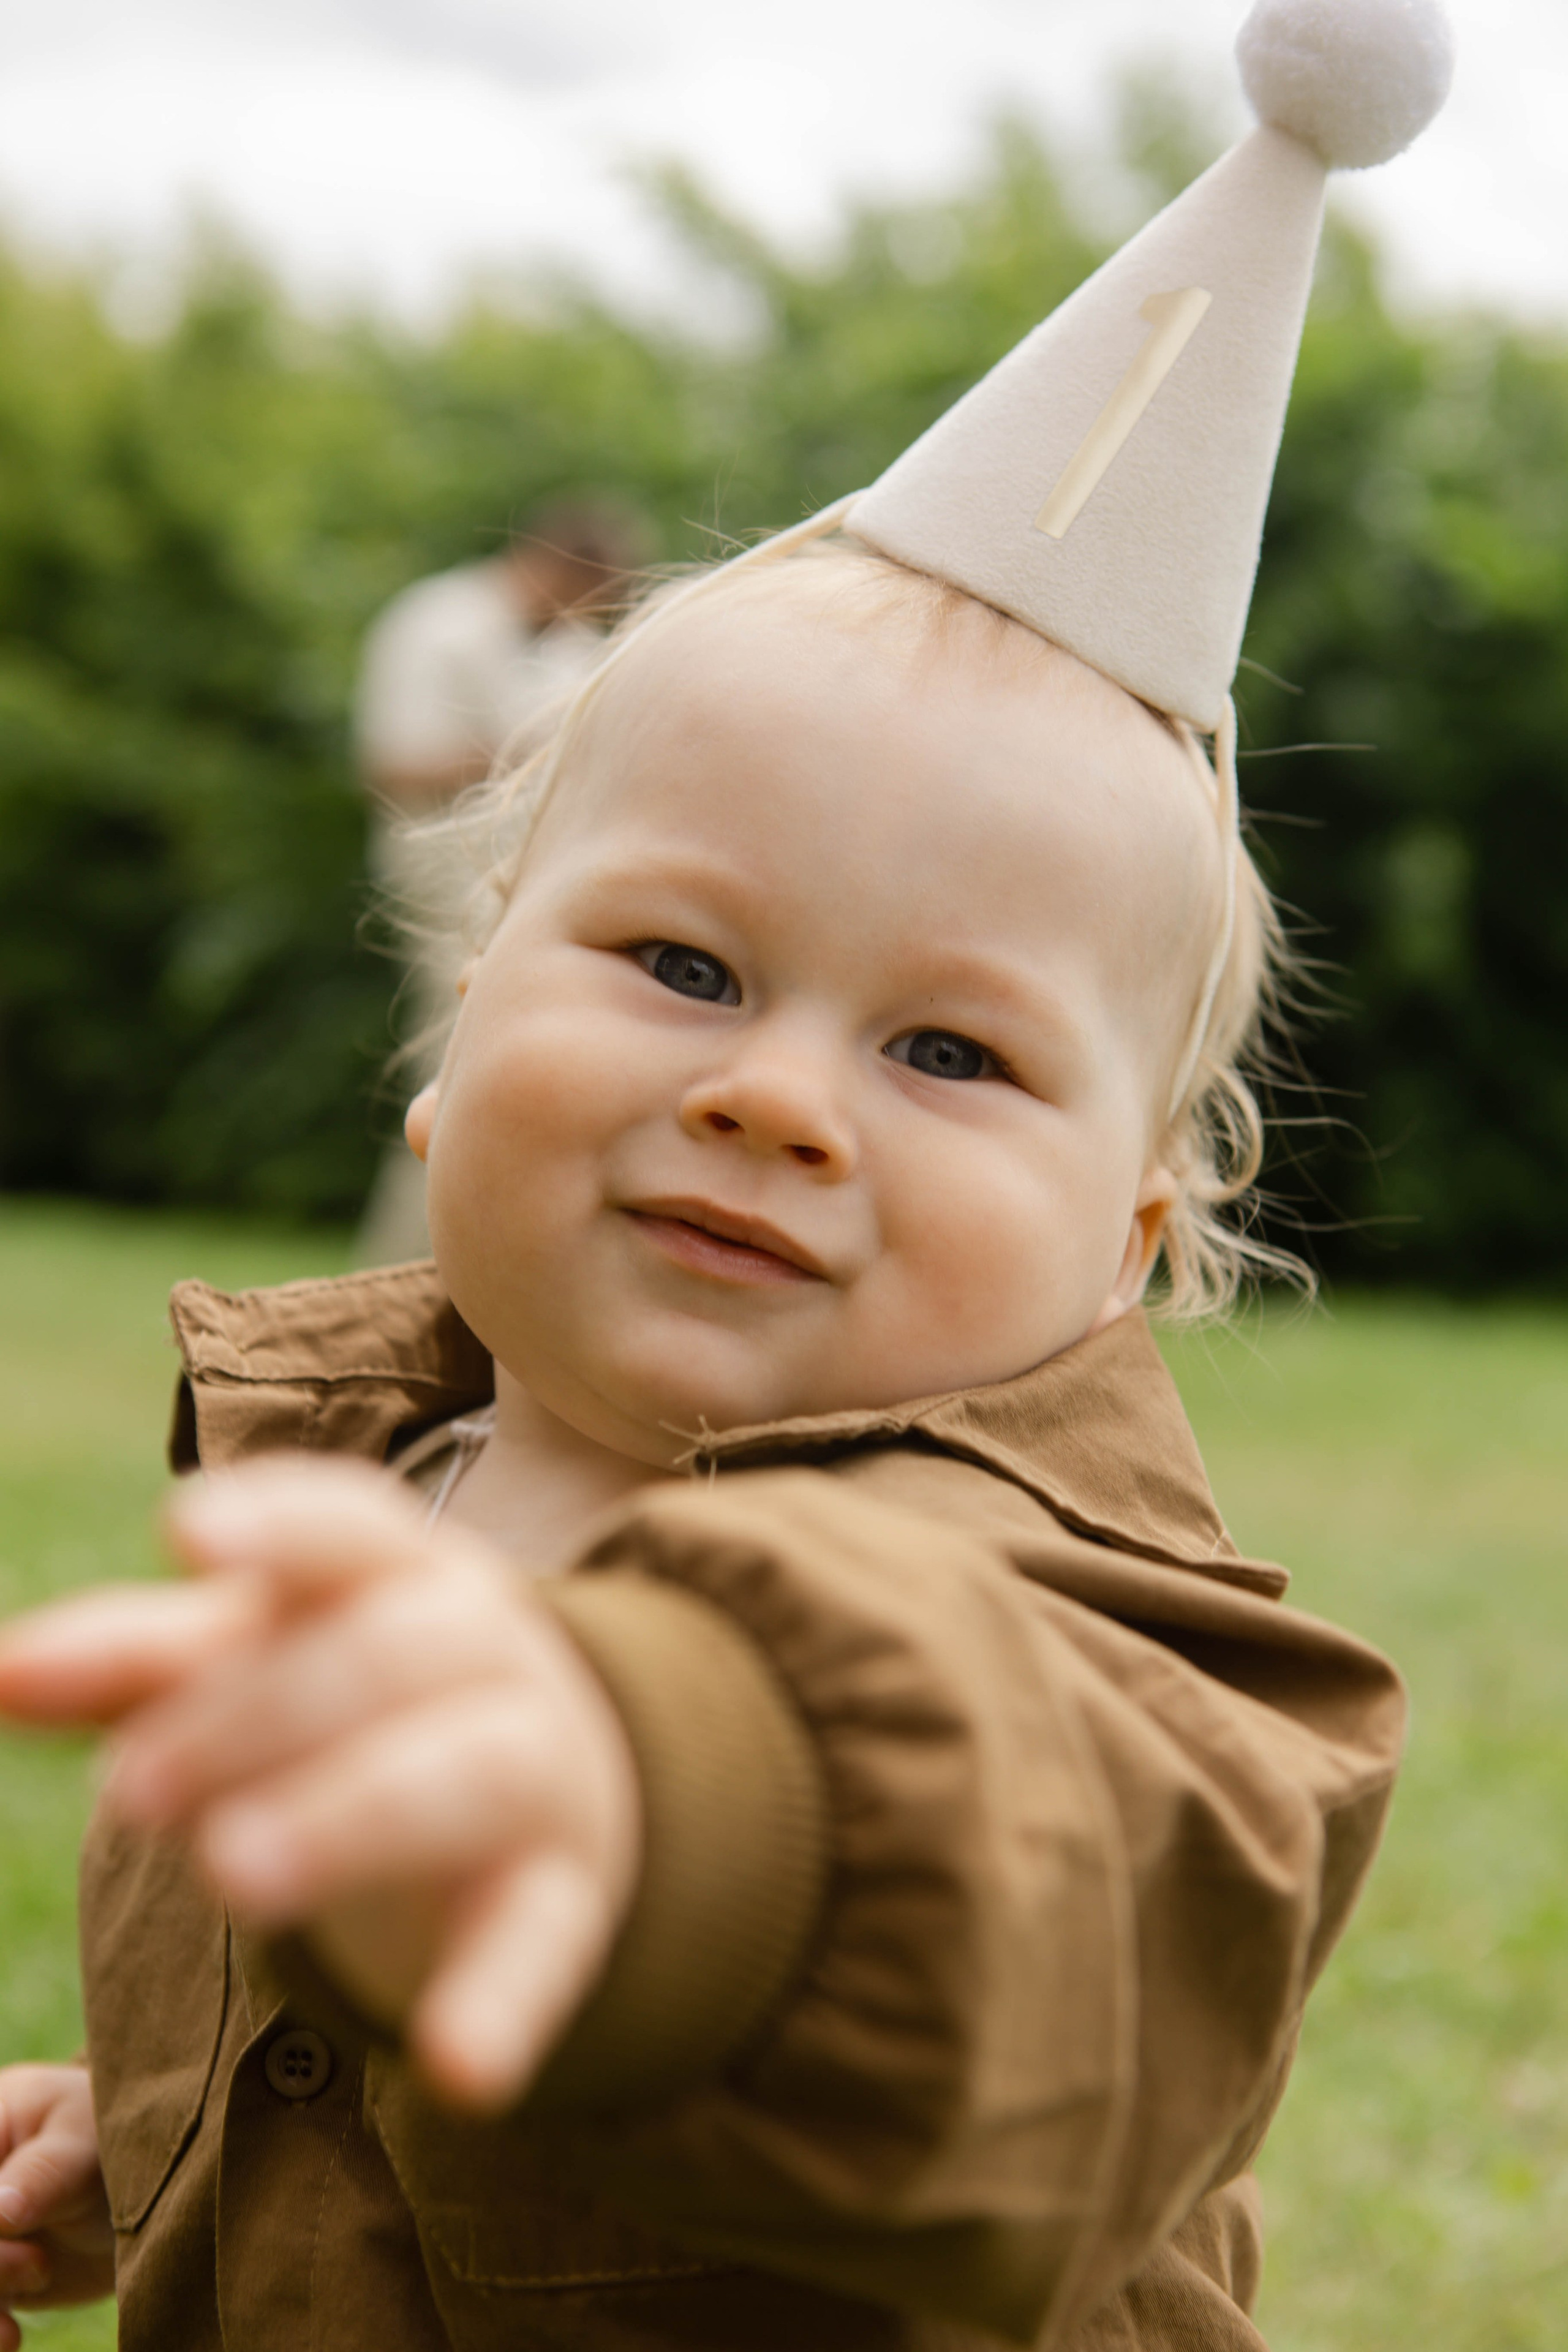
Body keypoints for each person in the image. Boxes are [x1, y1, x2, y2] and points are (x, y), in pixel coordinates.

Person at [0, 5, 1455, 2348]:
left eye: (950, 1048)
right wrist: (165, 2121)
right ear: (453, 1041)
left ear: (1125, 1250)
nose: (780, 1097)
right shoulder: (378, 1477)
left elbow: (1019, 1895)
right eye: (681, 960)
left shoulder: (1114, 1649)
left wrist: (669, 1820)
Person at [356, 496, 646, 1265]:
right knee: (452, 1067)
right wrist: (525, 750)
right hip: (441, 868)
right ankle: (409, 1278)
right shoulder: (439, 621)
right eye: (592, 591)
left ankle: (470, 1272)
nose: (592, 611)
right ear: (554, 564)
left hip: (528, 871)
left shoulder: (567, 643)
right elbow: (391, 764)